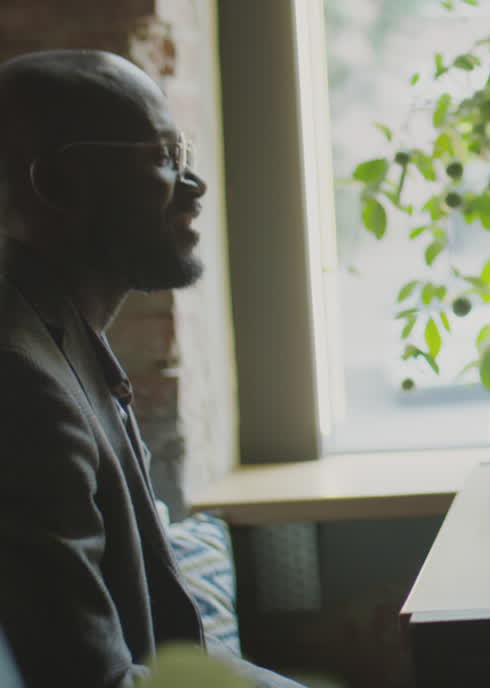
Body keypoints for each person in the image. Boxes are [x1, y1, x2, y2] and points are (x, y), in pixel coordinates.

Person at [0, 50, 303, 687]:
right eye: (163, 158)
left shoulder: (56, 337)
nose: (194, 185)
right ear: (56, 184)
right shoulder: (22, 388)